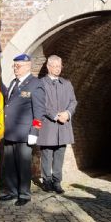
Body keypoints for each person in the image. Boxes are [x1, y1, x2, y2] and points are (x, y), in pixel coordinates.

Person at [0, 53, 45, 206]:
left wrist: (35, 131)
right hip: (10, 131)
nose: (15, 69)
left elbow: (39, 112)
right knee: (10, 164)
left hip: (25, 133)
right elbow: (9, 101)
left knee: (23, 165)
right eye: (14, 65)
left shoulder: (35, 84)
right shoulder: (13, 82)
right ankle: (12, 191)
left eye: (18, 66)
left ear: (27, 66)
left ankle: (24, 194)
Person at [37, 55, 77, 194]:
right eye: (54, 66)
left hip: (63, 125)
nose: (57, 69)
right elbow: (42, 103)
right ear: (48, 67)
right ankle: (46, 181)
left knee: (60, 154)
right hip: (48, 125)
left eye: (59, 66)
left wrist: (67, 113)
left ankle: (57, 181)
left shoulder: (67, 84)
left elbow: (73, 102)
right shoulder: (41, 83)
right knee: (47, 155)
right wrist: (55, 115)